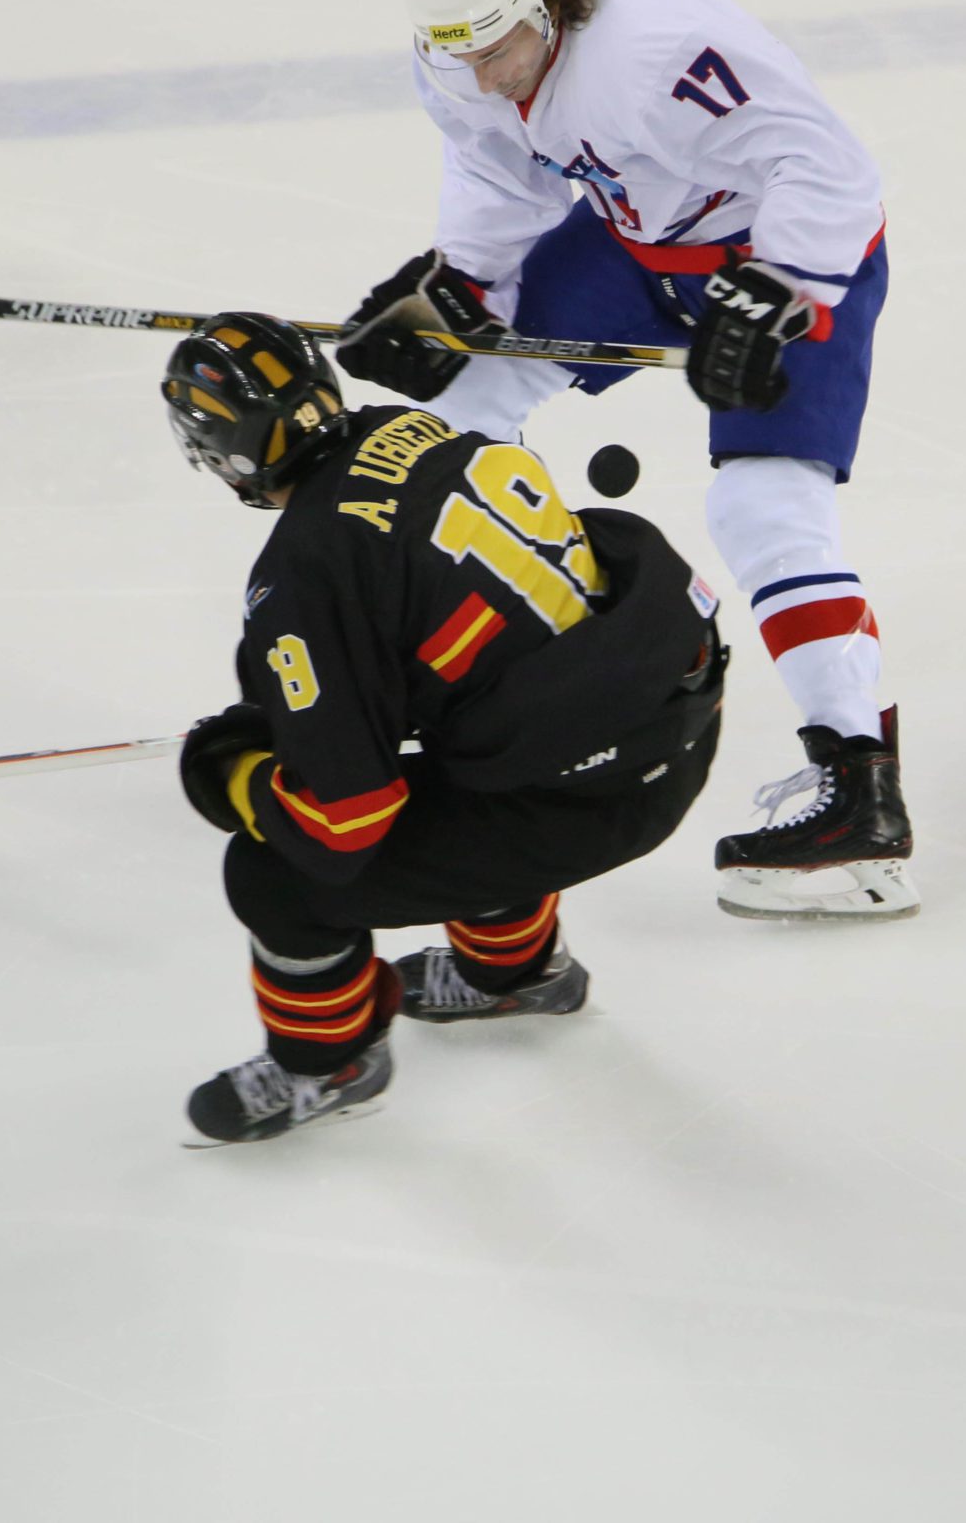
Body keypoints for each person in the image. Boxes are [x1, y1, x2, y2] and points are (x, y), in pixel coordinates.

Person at [333, 0, 916, 925]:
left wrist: (778, 284)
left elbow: (829, 169)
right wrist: (459, 291)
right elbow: (493, 167)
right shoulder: (463, 43)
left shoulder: (660, 54)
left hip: (776, 251)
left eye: (498, 50)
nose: (478, 76)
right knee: (455, 418)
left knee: (763, 509)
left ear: (544, 7)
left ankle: (859, 793)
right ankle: (438, 676)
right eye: (455, 56)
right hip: (632, 242)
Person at [162, 313, 726, 1146]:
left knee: (274, 874)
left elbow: (342, 821)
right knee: (463, 756)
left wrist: (232, 771)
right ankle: (516, 972)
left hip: (594, 793)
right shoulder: (411, 428)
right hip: (674, 712)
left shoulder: (306, 573)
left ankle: (330, 1063)